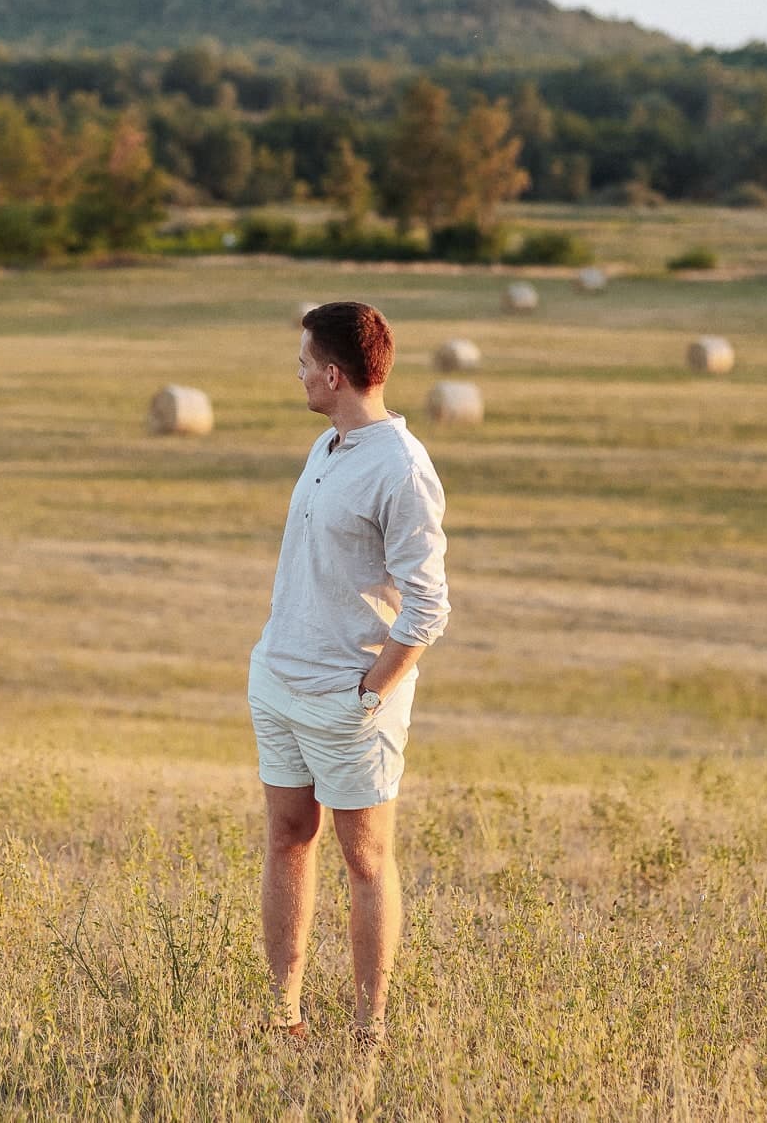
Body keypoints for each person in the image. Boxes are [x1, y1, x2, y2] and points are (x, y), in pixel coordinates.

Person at [248, 301, 450, 1048]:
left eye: (303, 362)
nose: (297, 373)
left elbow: (428, 607)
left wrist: (370, 692)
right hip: (279, 680)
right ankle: (283, 1016)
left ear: (333, 374)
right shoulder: (326, 444)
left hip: (349, 699)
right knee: (286, 837)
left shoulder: (402, 468)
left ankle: (369, 1030)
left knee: (365, 860)